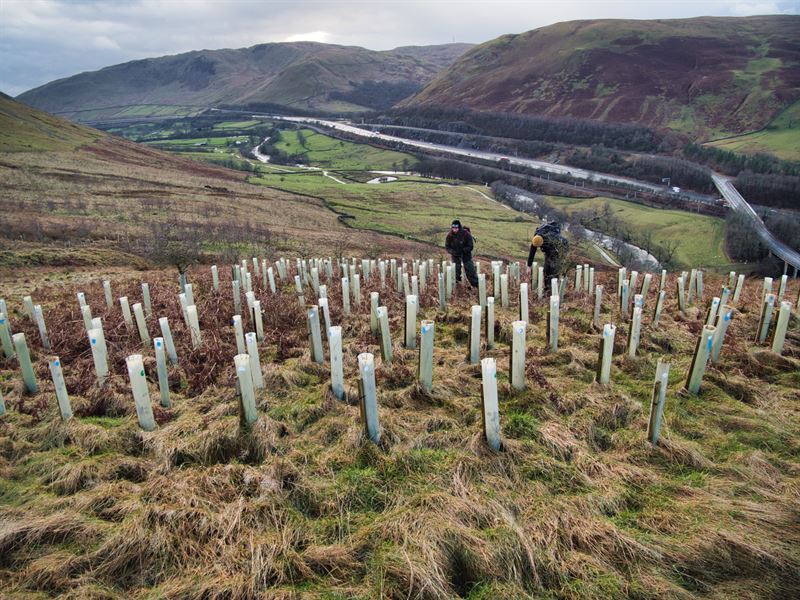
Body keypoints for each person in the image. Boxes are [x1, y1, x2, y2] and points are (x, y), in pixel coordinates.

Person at [527, 221, 568, 293]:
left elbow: (565, 243)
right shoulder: (536, 238)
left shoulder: (553, 237)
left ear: (543, 242)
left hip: (555, 250)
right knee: (546, 270)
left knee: (554, 269)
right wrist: (529, 265)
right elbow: (532, 252)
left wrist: (563, 257)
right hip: (547, 250)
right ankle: (547, 289)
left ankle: (554, 290)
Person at [445, 219, 478, 287]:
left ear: (459, 227)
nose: (455, 229)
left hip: (466, 255)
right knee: (456, 271)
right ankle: (457, 286)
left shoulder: (466, 234)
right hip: (455, 255)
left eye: (456, 228)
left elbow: (470, 246)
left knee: (470, 270)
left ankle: (475, 285)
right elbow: (447, 246)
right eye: (453, 228)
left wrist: (463, 250)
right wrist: (452, 252)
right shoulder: (449, 235)